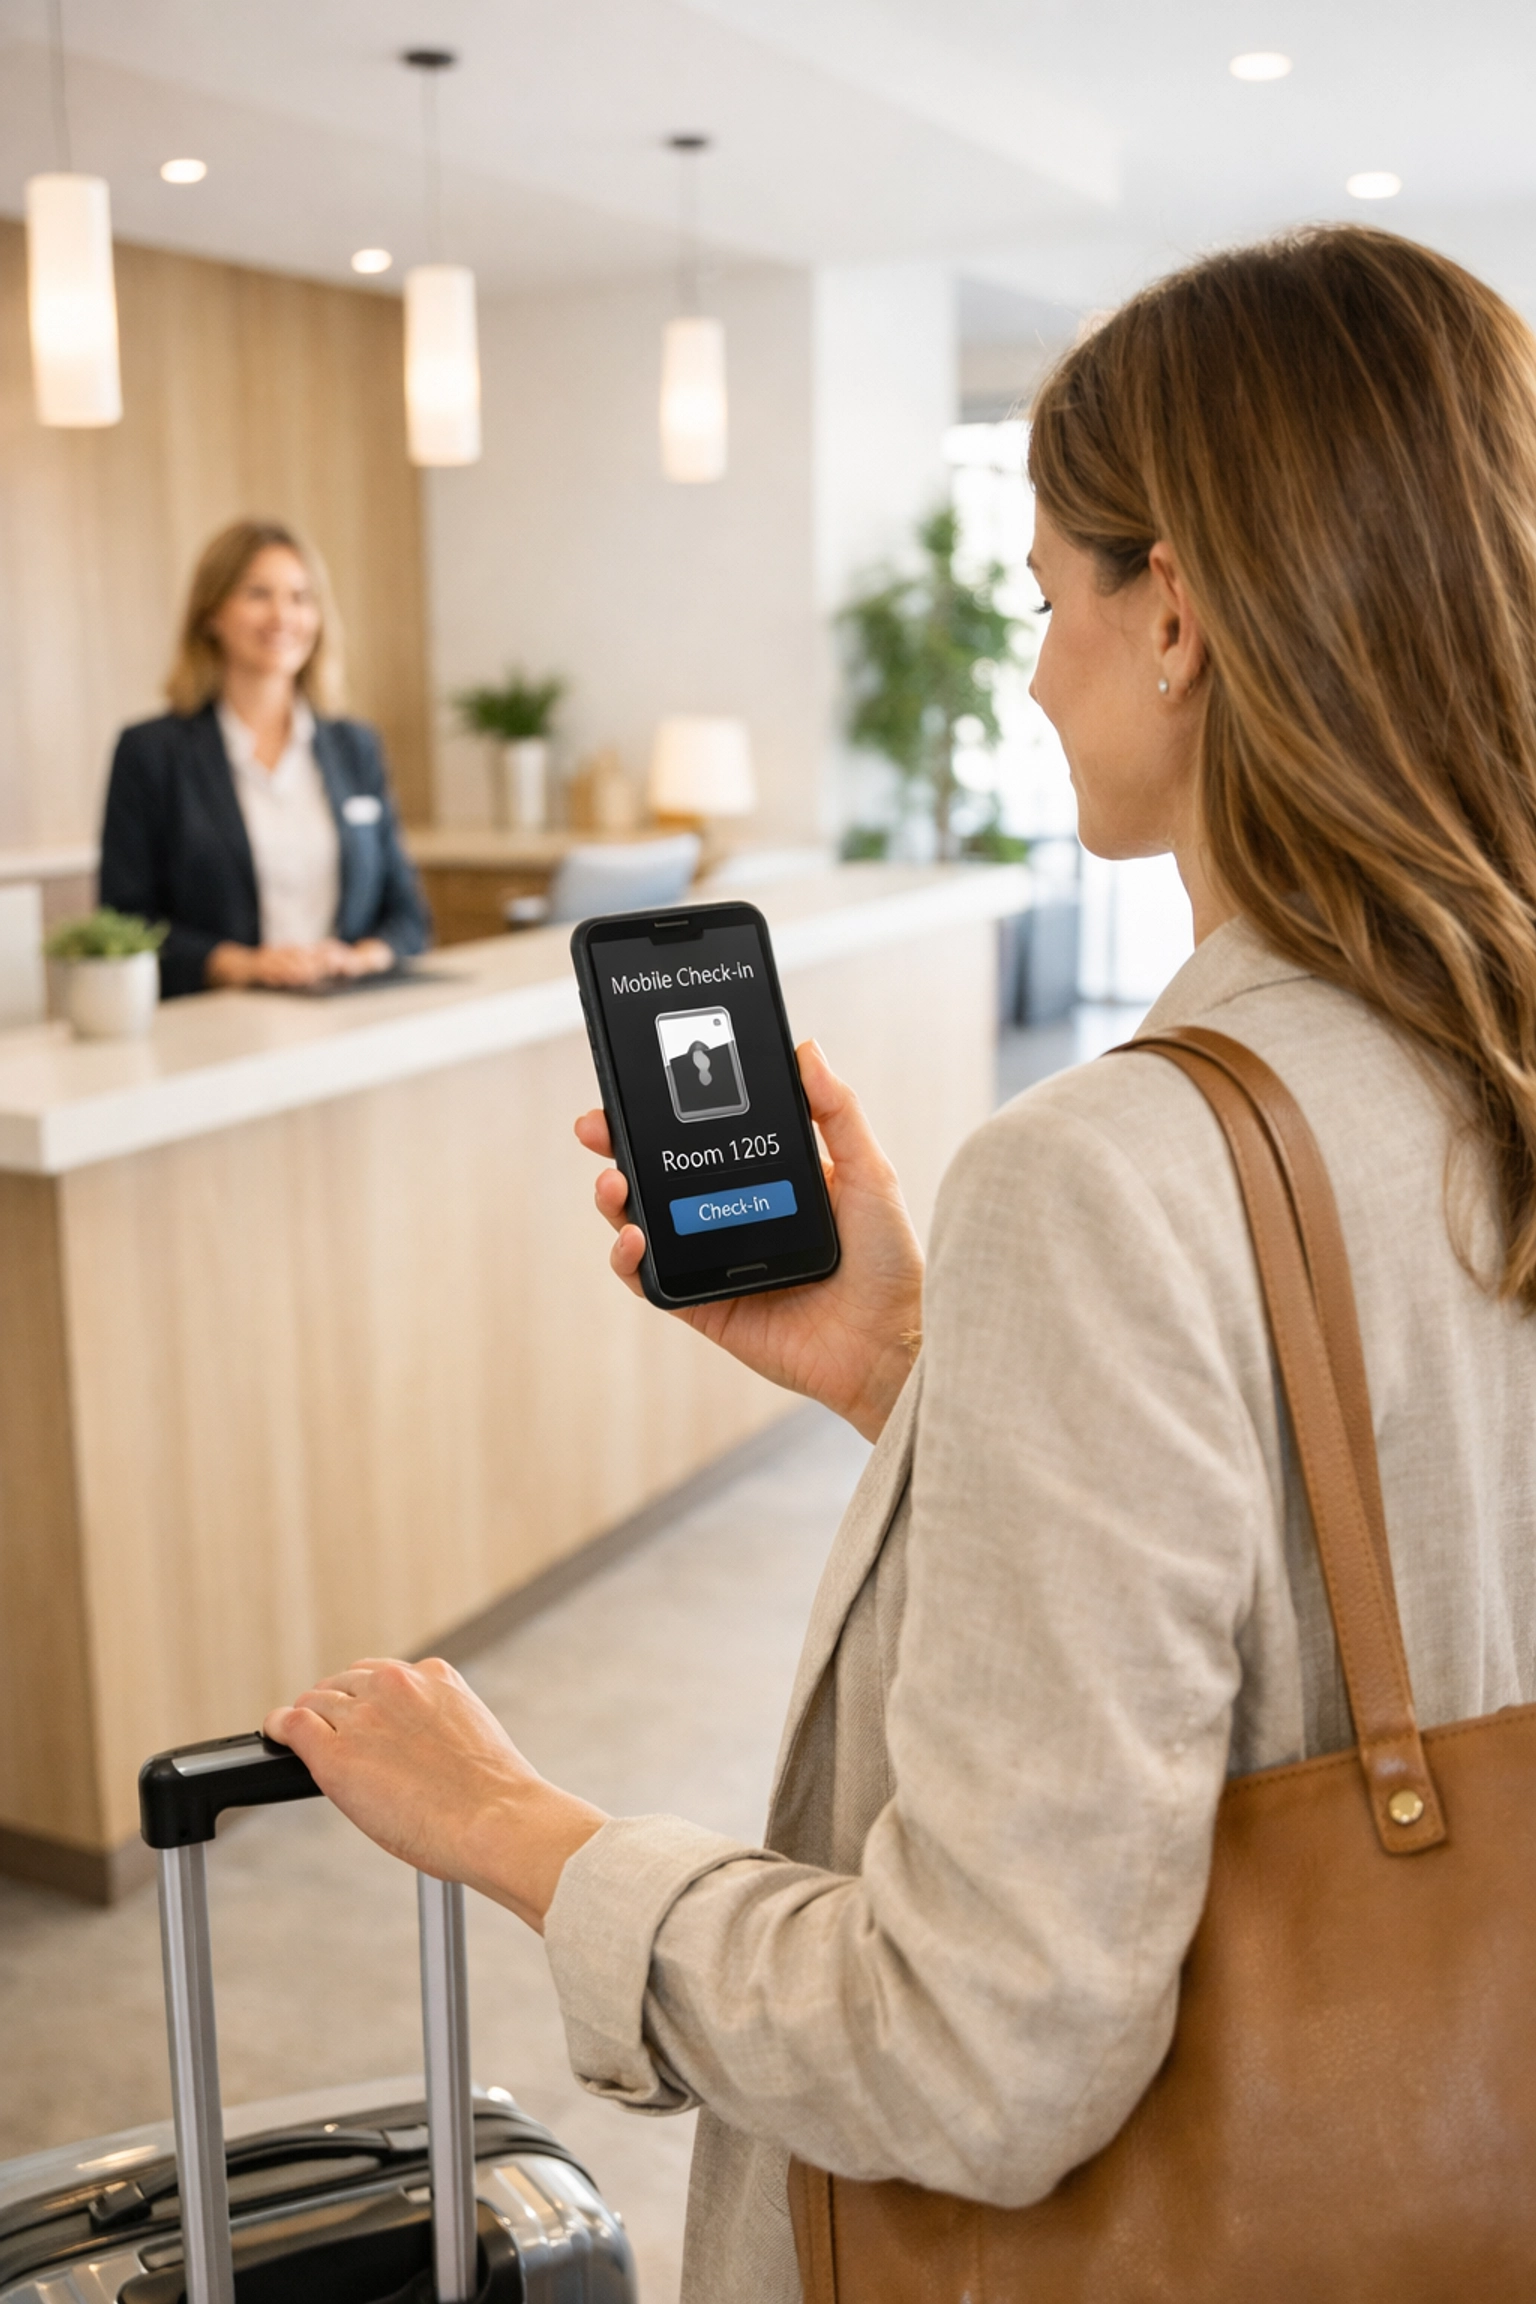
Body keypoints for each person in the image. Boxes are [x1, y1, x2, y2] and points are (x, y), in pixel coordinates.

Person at [266, 226, 1536, 2301]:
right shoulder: (1477, 1063)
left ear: (1181, 618)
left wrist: (513, 1826)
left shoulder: (1113, 1171)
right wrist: (930, 1367)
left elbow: (984, 2049)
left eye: (1050, 599)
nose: (1034, 669)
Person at [100, 519, 430, 997]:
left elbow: (409, 915)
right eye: (258, 594)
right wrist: (245, 965)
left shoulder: (355, 746)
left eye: (300, 597)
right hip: (220, 1024)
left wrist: (360, 958)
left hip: (350, 1010)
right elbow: (126, 921)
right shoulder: (150, 753)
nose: (283, 615)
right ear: (211, 613)